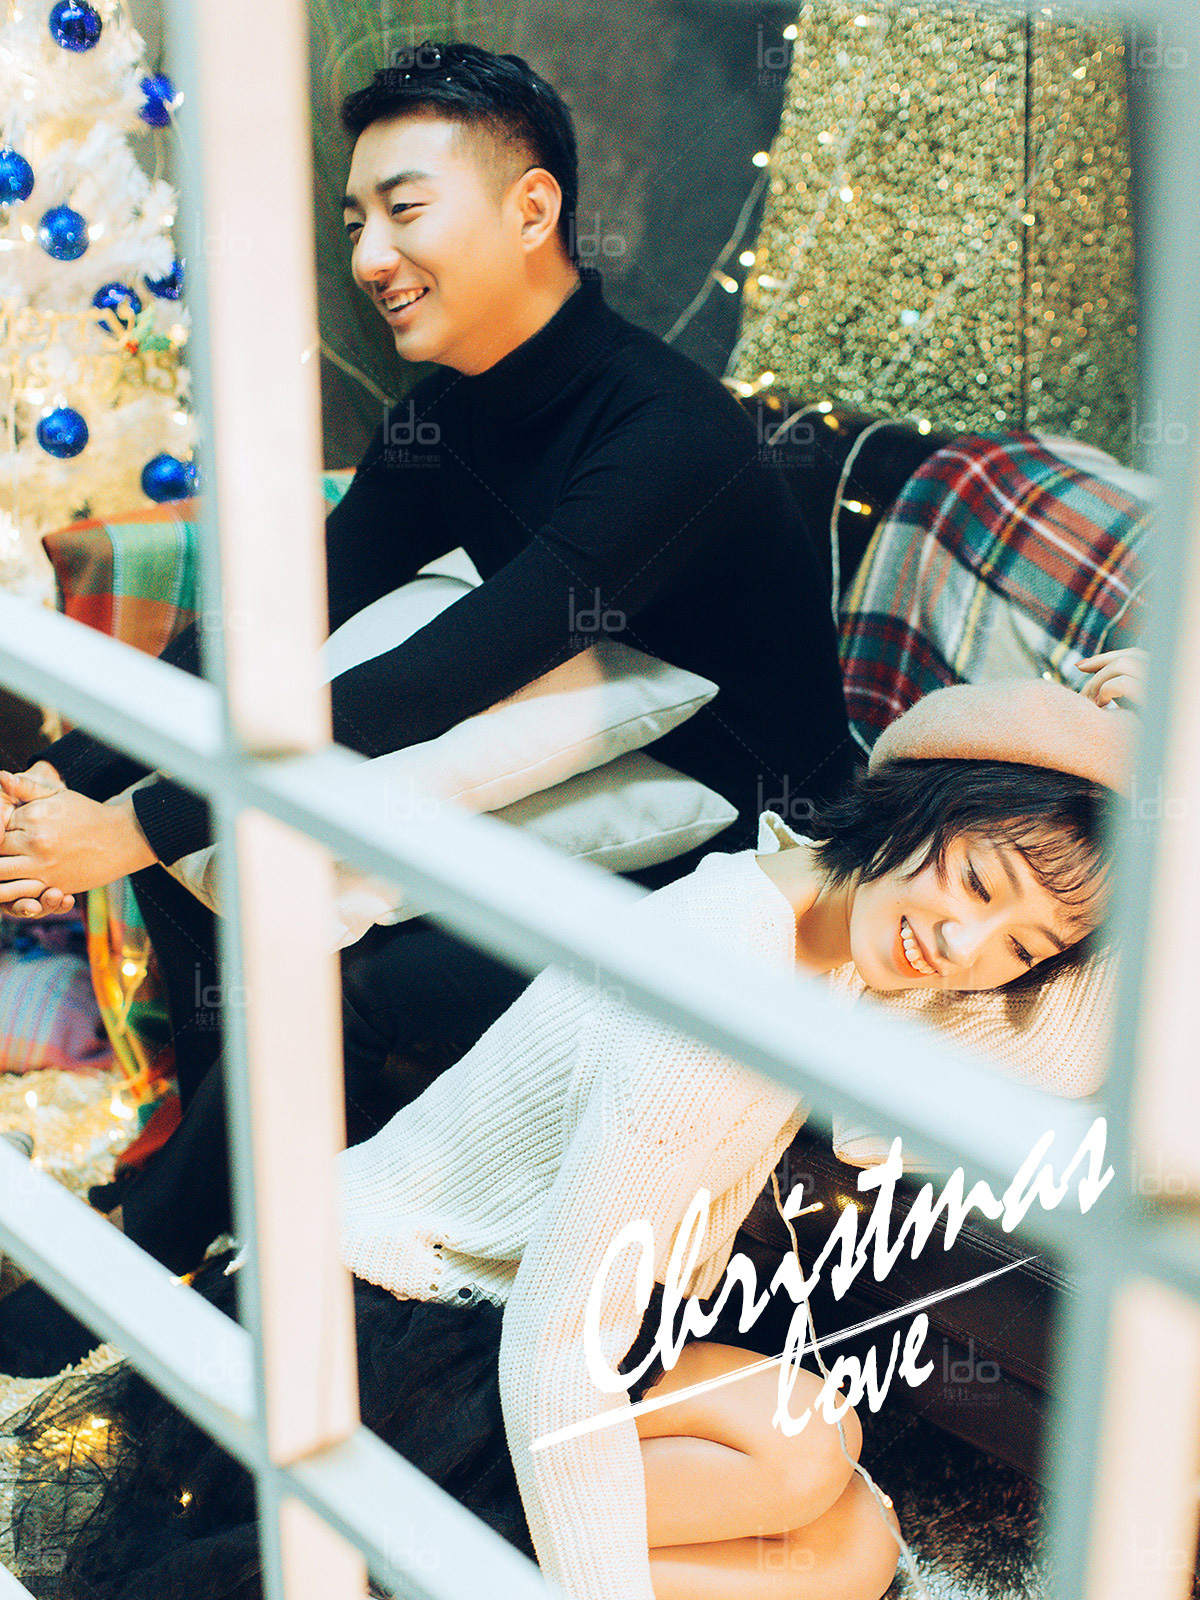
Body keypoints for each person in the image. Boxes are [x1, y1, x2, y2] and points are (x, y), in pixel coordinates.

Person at [0, 42, 854, 1343]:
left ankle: (151, 1261)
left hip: (736, 847)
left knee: (350, 973)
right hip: (596, 760)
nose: (369, 255)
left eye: (404, 208)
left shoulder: (670, 439)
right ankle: (219, 1198)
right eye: (356, 220)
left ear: (532, 208)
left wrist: (126, 826)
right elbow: (276, 620)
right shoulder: (448, 412)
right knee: (195, 857)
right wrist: (64, 783)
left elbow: (433, 683)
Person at [5, 677, 1132, 1600]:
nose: (966, 943)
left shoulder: (835, 940)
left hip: (516, 1304)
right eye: (976, 881)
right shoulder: (721, 982)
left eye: (1018, 947)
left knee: (852, 1547)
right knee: (803, 1457)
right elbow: (558, 1349)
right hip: (389, 1315)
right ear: (917, 805)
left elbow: (1071, 1049)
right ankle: (396, 1555)